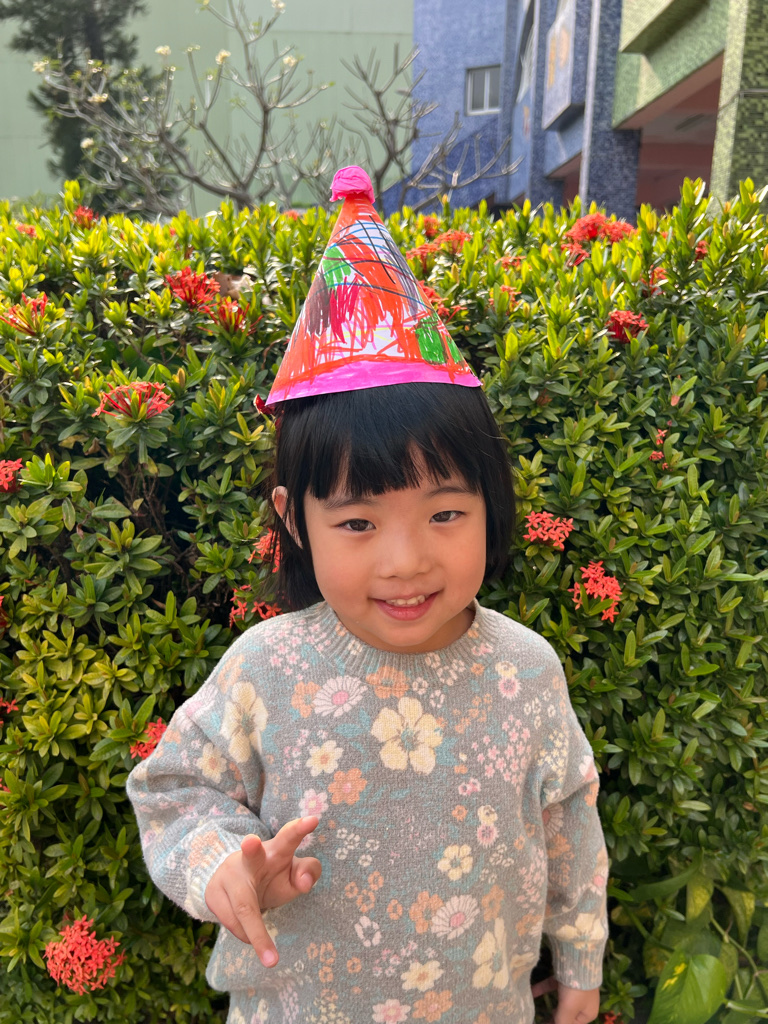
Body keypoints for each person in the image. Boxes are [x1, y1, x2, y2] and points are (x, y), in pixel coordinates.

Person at [126, 167, 608, 1024]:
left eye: (446, 513)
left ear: (491, 506)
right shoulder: (267, 669)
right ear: (295, 519)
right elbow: (172, 790)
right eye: (357, 522)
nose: (405, 561)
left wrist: (581, 965)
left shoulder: (526, 672)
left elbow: (570, 826)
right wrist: (220, 866)